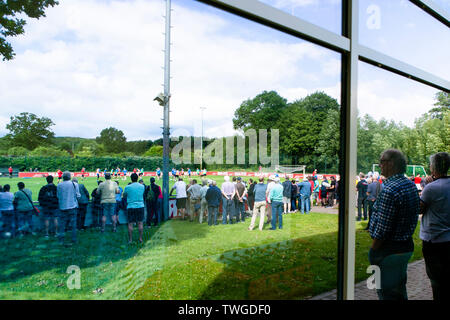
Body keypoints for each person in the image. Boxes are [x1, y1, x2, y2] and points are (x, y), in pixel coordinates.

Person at [368, 149, 420, 300]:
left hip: (388, 251)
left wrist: (374, 250)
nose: (379, 165)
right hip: (405, 247)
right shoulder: (409, 185)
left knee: (387, 294)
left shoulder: (390, 190)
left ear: (391, 164)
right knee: (399, 292)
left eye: (382, 161)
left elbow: (383, 230)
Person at [419, 152, 450, 300]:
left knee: (436, 281)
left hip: (434, 242)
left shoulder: (431, 188)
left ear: (433, 168)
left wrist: (428, 186)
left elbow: (419, 209)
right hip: (448, 240)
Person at [57, 172, 81, 246]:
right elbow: (78, 195)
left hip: (63, 207)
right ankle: (74, 239)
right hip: (72, 206)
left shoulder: (59, 185)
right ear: (70, 177)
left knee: (62, 224)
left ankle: (61, 240)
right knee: (73, 224)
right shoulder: (74, 184)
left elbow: (58, 196)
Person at [123, 173, 145, 244]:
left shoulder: (127, 187)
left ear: (131, 178)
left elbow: (124, 195)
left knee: (130, 224)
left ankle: (130, 240)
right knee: (140, 223)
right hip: (140, 206)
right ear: (137, 178)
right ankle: (140, 238)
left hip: (131, 206)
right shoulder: (142, 186)